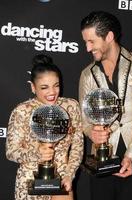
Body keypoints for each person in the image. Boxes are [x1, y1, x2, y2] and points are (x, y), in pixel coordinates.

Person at [79, 11, 132, 200]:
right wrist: (92, 132)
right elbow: (84, 118)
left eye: (92, 42)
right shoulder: (87, 74)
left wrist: (130, 156)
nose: (88, 48)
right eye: (85, 42)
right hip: (101, 158)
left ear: (109, 37)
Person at [6, 54, 83, 200]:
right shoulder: (22, 111)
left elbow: (78, 147)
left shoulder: (71, 107)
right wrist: (36, 153)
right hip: (29, 180)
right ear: (33, 87)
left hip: (61, 178)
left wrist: (69, 175)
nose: (52, 92)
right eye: (44, 87)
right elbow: (11, 152)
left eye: (56, 85)